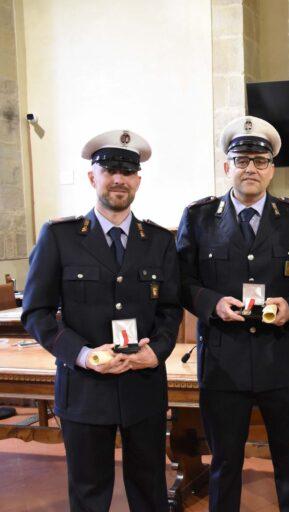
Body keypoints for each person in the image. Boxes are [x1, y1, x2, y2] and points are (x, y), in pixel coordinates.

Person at [22, 129, 182, 511]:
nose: (118, 179)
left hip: (143, 387)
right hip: (84, 388)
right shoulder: (59, 237)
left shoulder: (159, 240)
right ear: (92, 177)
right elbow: (36, 312)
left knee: (150, 492)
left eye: (127, 172)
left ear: (138, 180)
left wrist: (157, 351)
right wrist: (83, 355)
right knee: (89, 495)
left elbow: (170, 308)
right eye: (109, 170)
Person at [176, 115, 289, 511]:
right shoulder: (199, 217)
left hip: (280, 360)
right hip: (224, 363)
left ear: (272, 169)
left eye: (259, 161)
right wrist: (212, 304)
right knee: (224, 464)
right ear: (228, 167)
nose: (250, 168)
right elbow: (181, 281)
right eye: (241, 161)